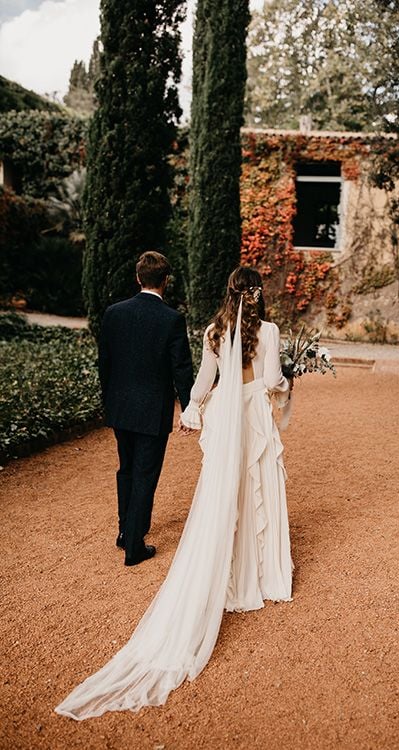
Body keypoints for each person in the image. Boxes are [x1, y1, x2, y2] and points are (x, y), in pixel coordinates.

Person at [55, 266, 292, 720]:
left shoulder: (213, 330)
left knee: (221, 491)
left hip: (226, 414)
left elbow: (204, 382)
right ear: (259, 294)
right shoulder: (270, 330)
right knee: (257, 485)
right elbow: (269, 380)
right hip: (253, 416)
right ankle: (259, 575)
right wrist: (287, 383)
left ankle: (223, 572)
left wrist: (194, 410)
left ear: (228, 291)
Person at [98, 251, 194, 566]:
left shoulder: (114, 313)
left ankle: (126, 531)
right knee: (145, 474)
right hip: (153, 409)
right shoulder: (172, 319)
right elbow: (181, 369)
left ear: (138, 278)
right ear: (165, 281)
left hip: (120, 406)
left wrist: (108, 400)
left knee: (126, 469)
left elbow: (105, 363)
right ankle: (134, 546)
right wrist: (190, 407)